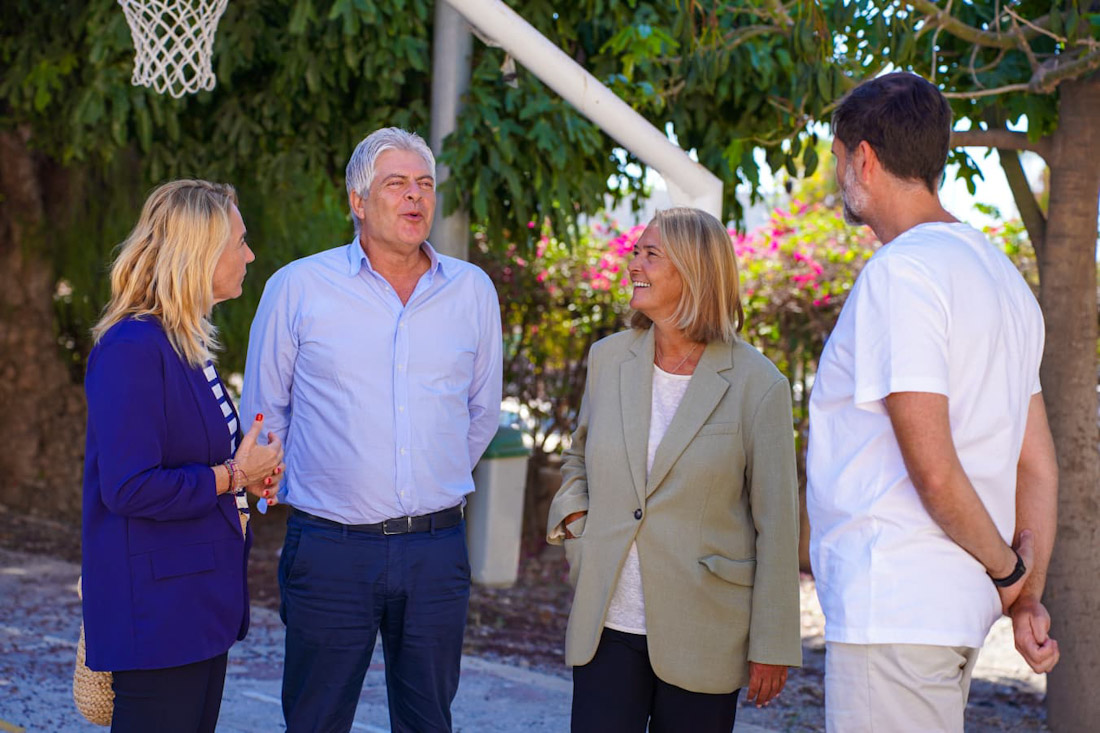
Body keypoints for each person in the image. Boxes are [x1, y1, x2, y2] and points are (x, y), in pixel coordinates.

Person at [807, 72, 1060, 732]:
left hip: (895, 605)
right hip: (944, 619)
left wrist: (1011, 575)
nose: (839, 178)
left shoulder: (903, 272)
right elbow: (1037, 467)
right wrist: (1023, 597)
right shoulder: (1004, 280)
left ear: (863, 157)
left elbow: (936, 471)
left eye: (838, 160)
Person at [241, 127, 503, 733]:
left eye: (425, 185)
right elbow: (265, 415)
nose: (415, 198)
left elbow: (480, 413)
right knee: (316, 720)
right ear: (358, 202)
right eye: (396, 185)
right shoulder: (298, 287)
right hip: (331, 549)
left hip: (436, 551)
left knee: (428, 722)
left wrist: (426, 477)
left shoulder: (471, 291)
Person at [547, 207, 802, 732]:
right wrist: (577, 525)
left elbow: (777, 524)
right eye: (634, 251)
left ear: (693, 269)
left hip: (705, 628)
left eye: (650, 254)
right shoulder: (607, 359)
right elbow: (579, 454)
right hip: (607, 623)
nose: (632, 263)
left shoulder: (760, 384)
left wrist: (773, 642)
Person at [81, 179, 284, 733]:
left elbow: (198, 459)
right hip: (157, 621)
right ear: (199, 254)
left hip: (196, 610)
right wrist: (233, 475)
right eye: (239, 242)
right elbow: (129, 487)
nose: (249, 254)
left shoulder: (184, 341)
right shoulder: (132, 348)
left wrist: (247, 476)